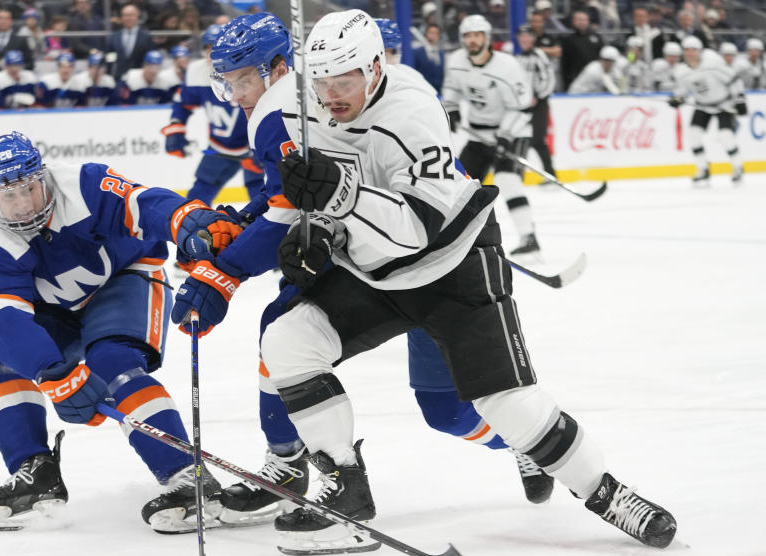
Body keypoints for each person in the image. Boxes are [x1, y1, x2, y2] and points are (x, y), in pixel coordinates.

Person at [252, 10, 677, 556]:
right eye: (322, 81)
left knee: (505, 405)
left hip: (453, 265)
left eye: (345, 80)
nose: (331, 94)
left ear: (376, 67)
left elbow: (414, 232)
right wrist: (317, 238)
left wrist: (345, 198)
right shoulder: (306, 109)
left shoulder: (412, 109)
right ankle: (345, 486)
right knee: (288, 338)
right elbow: (326, 203)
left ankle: (606, 492)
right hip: (375, 275)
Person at [173, 12, 555, 529]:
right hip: (380, 257)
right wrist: (240, 222)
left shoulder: (285, 110)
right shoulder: (296, 101)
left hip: (416, 260)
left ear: (278, 67)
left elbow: (291, 216)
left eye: (242, 79)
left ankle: (290, 467)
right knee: (429, 406)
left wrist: (224, 272)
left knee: (294, 337)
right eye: (228, 81)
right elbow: (284, 198)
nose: (235, 92)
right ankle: (292, 464)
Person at [0, 131, 243, 532]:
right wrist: (53, 373)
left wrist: (184, 220)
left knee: (112, 360)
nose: (22, 205)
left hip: (126, 278)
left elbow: (143, 203)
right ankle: (34, 472)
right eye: (9, 197)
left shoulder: (82, 184)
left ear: (42, 178)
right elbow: (0, 319)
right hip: (57, 309)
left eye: (28, 190)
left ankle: (187, 476)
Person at [443, 15, 542, 257]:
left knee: (507, 178)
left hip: (513, 130)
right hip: (478, 134)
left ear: (487, 39)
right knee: (461, 185)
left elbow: (522, 108)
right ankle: (461, 242)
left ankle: (529, 238)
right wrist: (453, 110)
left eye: (477, 35)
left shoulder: (507, 66)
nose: (473, 40)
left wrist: (505, 136)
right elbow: (452, 90)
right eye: (468, 36)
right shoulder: (456, 61)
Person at [160, 24, 263, 209]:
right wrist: (176, 127)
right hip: (220, 145)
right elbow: (183, 103)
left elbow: (266, 106)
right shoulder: (196, 71)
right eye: (209, 48)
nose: (213, 53)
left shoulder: (249, 68)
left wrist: (262, 144)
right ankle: (192, 227)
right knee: (198, 195)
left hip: (252, 145)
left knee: (260, 192)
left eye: (218, 47)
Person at [669, 36, 745, 185]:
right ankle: (703, 168)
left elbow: (733, 79)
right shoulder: (682, 71)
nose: (690, 53)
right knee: (693, 135)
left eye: (693, 50)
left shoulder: (713, 64)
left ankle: (737, 167)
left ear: (700, 51)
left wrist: (740, 99)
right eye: (687, 50)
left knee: (725, 136)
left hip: (724, 104)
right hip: (702, 106)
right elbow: (681, 91)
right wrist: (677, 99)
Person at [515, 24, 557, 178]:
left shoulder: (539, 55)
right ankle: (518, 175)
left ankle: (550, 173)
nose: (524, 39)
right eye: (521, 36)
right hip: (522, 106)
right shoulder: (518, 58)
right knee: (521, 139)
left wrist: (538, 97)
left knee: (538, 140)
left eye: (527, 36)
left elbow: (549, 79)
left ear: (533, 38)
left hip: (539, 104)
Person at [560, 9, 604, 91]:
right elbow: (564, 65)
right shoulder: (568, 40)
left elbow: (602, 58)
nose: (582, 22)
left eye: (584, 20)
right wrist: (566, 84)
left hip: (595, 79)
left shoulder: (597, 37)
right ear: (573, 21)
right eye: (579, 20)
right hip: (576, 80)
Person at [109, 3, 153, 79]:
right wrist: (109, 73)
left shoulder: (146, 37)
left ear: (137, 16)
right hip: (118, 78)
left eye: (131, 15)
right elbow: (110, 57)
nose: (128, 18)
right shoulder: (114, 37)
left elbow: (149, 58)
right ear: (121, 17)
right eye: (125, 15)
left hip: (139, 79)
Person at [411, 22, 445, 93]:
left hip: (438, 93)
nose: (434, 35)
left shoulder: (441, 54)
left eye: (436, 33)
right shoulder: (417, 52)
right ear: (426, 34)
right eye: (431, 32)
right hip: (422, 91)